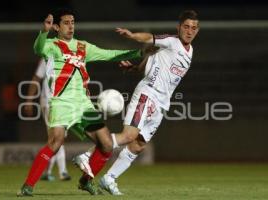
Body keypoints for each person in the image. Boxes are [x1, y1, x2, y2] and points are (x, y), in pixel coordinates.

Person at [17, 8, 142, 196]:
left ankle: (86, 181)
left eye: (73, 22)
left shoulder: (83, 47)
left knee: (106, 144)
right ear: (57, 27)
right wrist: (44, 32)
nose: (71, 26)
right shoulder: (51, 45)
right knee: (55, 141)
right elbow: (37, 49)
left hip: (83, 104)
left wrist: (138, 53)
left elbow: (110, 54)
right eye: (66, 23)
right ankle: (28, 186)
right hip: (60, 102)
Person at [74, 10, 200, 195]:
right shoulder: (172, 41)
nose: (190, 31)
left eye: (194, 28)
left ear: (198, 30)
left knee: (139, 144)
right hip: (147, 94)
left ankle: (109, 179)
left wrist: (135, 68)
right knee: (128, 136)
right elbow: (149, 39)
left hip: (162, 104)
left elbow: (152, 56)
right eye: (186, 27)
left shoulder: (189, 52)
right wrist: (133, 36)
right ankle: (86, 155)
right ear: (179, 27)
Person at [24, 58, 71, 181]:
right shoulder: (48, 58)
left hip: (64, 102)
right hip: (49, 102)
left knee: (56, 137)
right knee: (57, 137)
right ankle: (62, 171)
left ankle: (48, 171)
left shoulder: (71, 58)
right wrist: (29, 100)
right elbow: (36, 78)